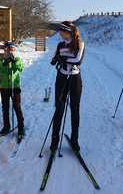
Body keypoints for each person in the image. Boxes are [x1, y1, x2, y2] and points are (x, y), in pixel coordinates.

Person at [50, 21, 85, 152]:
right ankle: (54, 140)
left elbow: (78, 60)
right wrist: (57, 59)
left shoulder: (80, 44)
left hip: (75, 79)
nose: (59, 33)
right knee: (59, 109)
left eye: (61, 31)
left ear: (68, 32)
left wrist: (62, 59)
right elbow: (53, 61)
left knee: (75, 110)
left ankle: (74, 140)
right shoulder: (60, 45)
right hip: (61, 78)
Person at [0, 41, 25, 138]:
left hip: (15, 87)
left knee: (17, 107)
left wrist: (14, 62)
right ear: (4, 50)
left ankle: (21, 127)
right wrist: (5, 62)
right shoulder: (1, 59)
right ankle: (6, 126)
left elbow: (20, 68)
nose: (9, 52)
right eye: (7, 50)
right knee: (5, 108)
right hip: (4, 87)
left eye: (12, 49)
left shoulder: (17, 59)